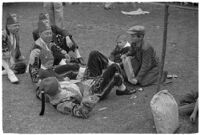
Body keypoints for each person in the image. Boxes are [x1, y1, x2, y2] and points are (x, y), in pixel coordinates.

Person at [28, 20, 80, 84]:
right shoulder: (36, 49)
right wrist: (40, 82)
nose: (49, 35)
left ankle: (62, 79)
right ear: (40, 34)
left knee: (74, 67)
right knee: (64, 78)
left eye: (50, 33)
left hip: (51, 70)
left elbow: (56, 49)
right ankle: (61, 80)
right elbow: (34, 70)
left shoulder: (49, 42)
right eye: (46, 33)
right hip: (42, 75)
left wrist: (65, 55)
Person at [2, 13, 26, 84]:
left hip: (6, 59)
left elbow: (16, 47)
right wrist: (11, 60)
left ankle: (3, 71)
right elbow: (4, 53)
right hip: (3, 57)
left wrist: (18, 56)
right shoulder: (3, 35)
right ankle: (10, 74)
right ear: (8, 26)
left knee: (22, 67)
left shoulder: (15, 34)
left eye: (18, 25)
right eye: (15, 25)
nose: (17, 27)